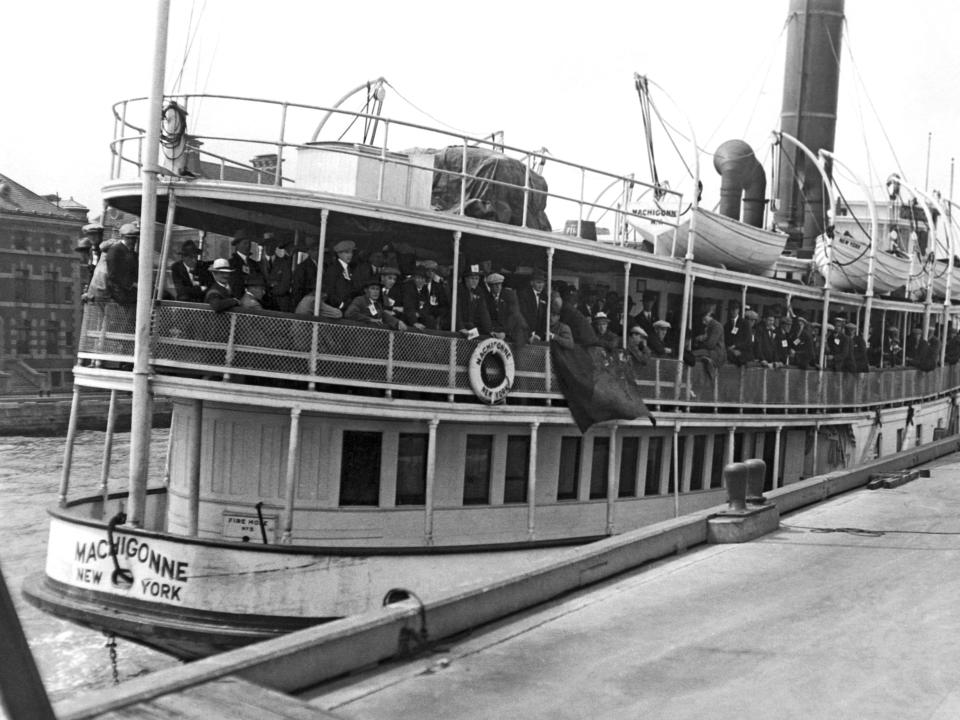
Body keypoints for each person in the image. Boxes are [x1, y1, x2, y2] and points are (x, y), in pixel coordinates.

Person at [484, 272, 526, 343]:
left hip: (511, 332)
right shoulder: (486, 298)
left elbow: (514, 315)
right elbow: (487, 317)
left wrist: (505, 333)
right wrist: (492, 331)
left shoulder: (509, 295)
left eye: (500, 284)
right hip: (495, 332)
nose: (498, 287)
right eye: (495, 284)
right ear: (490, 286)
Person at [106, 222, 139, 305]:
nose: (132, 241)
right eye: (128, 238)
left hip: (130, 292)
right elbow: (113, 275)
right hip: (119, 293)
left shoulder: (133, 253)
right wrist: (131, 284)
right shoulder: (115, 251)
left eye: (134, 238)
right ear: (122, 237)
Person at [456, 264, 492, 338]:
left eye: (477, 279)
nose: (475, 281)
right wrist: (461, 327)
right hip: (460, 326)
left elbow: (484, 312)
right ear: (466, 279)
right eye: (472, 278)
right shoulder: (459, 290)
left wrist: (489, 330)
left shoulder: (479, 291)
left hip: (472, 326)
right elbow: (457, 311)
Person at [322, 239, 359, 311]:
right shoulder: (333, 269)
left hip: (347, 307)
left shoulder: (350, 269)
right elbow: (330, 290)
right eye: (346, 252)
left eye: (351, 252)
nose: (350, 255)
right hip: (336, 309)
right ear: (339, 254)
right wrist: (340, 304)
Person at [517, 268, 549, 341]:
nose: (541, 285)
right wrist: (530, 335)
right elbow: (523, 316)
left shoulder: (544, 296)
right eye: (538, 282)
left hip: (538, 336)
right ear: (531, 283)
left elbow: (545, 318)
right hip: (525, 335)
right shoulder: (523, 295)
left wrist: (539, 335)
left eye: (542, 283)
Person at [400, 265, 435, 329]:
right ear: (414, 278)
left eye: (422, 278)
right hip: (408, 317)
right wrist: (414, 322)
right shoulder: (408, 288)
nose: (420, 280)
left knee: (430, 320)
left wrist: (419, 314)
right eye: (418, 278)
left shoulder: (424, 289)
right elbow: (408, 306)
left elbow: (426, 307)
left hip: (419, 315)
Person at [228, 228, 257, 298]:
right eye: (245, 243)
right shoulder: (231, 263)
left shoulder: (255, 264)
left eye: (249, 243)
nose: (248, 246)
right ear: (237, 245)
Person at [290, 242, 319, 308]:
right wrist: (298, 302)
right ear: (309, 252)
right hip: (306, 300)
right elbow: (297, 286)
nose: (317, 252)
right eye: (315, 250)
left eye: (318, 250)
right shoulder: (303, 267)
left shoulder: (323, 265)